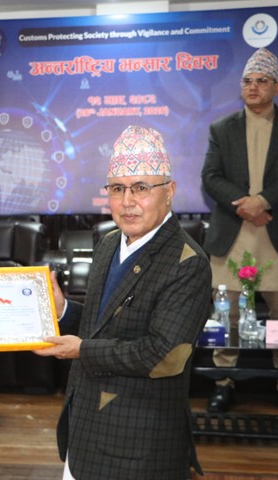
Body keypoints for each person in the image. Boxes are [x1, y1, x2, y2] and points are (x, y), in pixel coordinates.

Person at [35, 125, 211, 479]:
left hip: (138, 440)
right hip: (84, 428)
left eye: (141, 188)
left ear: (169, 192)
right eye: (117, 188)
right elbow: (104, 324)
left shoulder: (187, 262)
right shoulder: (108, 245)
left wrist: (82, 350)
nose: (127, 201)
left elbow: (163, 355)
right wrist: (64, 310)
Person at [201, 47, 278, 413]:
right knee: (227, 313)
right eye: (247, 81)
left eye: (262, 81)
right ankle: (223, 380)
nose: (253, 87)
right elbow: (210, 177)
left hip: (277, 230)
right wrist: (246, 206)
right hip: (234, 231)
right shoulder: (222, 128)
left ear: (277, 87)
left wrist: (263, 202)